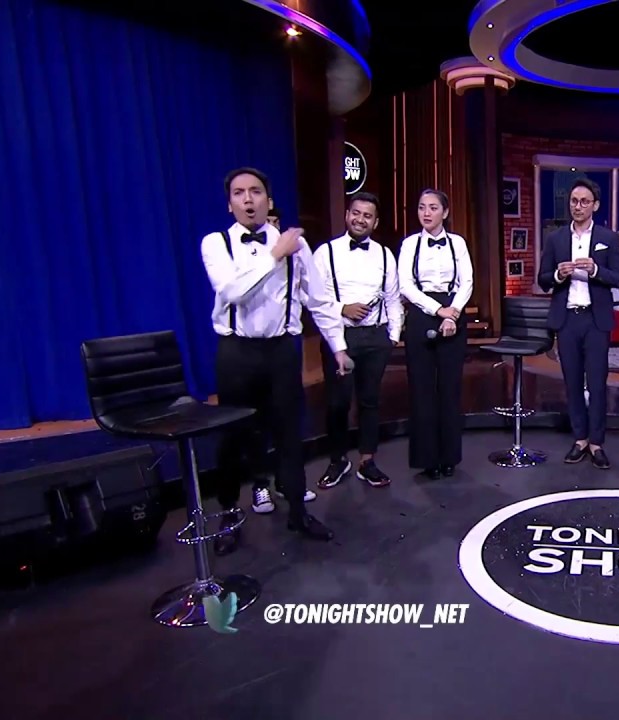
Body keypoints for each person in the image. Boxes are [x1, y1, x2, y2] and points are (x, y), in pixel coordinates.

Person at [200, 167, 351, 554]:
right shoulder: (216, 243)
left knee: (288, 432)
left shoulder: (297, 246)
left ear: (268, 200)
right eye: (239, 193)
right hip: (236, 352)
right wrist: (274, 255)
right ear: (230, 204)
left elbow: (318, 299)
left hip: (282, 350)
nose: (247, 199)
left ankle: (298, 509)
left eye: (255, 191)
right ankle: (229, 513)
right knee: (233, 436)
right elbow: (231, 291)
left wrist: (338, 346)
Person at [313, 191, 403, 489]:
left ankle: (367, 461)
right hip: (339, 336)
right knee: (337, 403)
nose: (360, 219)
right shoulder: (325, 253)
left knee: (370, 401)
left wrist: (392, 337)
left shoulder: (385, 255)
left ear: (375, 222)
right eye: (356, 213)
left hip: (376, 337)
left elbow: (393, 298)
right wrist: (343, 308)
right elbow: (315, 299)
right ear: (346, 215)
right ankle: (338, 460)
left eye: (367, 215)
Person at [537, 178, 619, 469]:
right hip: (567, 320)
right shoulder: (555, 239)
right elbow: (543, 279)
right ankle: (580, 439)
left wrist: (596, 269)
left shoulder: (608, 238)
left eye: (584, 201)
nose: (578, 206)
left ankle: (597, 442)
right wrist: (559, 275)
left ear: (595, 206)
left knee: (597, 383)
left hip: (595, 320)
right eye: (574, 201)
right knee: (572, 382)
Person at [398, 189, 473, 479]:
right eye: (421, 207)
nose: (426, 213)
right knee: (422, 390)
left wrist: (452, 313)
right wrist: (437, 310)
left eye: (432, 207)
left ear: (445, 212)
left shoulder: (457, 243)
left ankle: (449, 457)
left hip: (453, 311)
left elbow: (467, 282)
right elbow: (406, 285)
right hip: (422, 313)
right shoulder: (409, 244)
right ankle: (427, 459)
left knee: (450, 389)